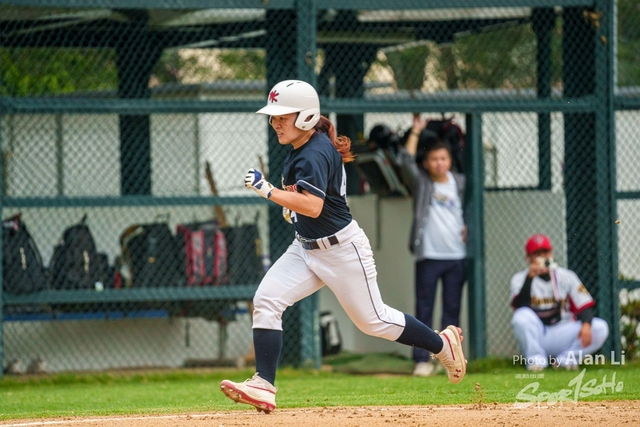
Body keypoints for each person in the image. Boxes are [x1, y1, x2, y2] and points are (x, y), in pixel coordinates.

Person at [219, 80, 467, 413]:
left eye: (283, 116)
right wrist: (290, 207)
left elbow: (314, 207)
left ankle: (442, 344)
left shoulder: (314, 151)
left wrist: (269, 190)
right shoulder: (301, 148)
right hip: (306, 247)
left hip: (341, 250)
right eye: (274, 116)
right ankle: (263, 384)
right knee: (267, 299)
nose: (275, 122)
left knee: (374, 321)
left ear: (306, 117)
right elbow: (306, 205)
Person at [398, 114, 467, 377]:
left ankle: (450, 359)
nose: (439, 163)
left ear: (450, 160)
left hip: (456, 254)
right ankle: (422, 359)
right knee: (424, 309)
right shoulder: (423, 184)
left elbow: (469, 209)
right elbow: (405, 161)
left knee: (452, 311)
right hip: (428, 255)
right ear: (426, 163)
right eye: (434, 159)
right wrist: (415, 132)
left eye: (443, 158)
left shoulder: (460, 182)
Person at [510, 234, 610, 371]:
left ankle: (565, 360)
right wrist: (530, 278)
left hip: (563, 331)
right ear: (528, 258)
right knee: (520, 318)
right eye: (536, 254)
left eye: (545, 252)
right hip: (539, 334)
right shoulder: (519, 279)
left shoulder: (566, 276)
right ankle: (536, 361)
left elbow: (584, 304)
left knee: (600, 327)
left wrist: (586, 325)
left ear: (551, 253)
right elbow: (520, 306)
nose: (542, 257)